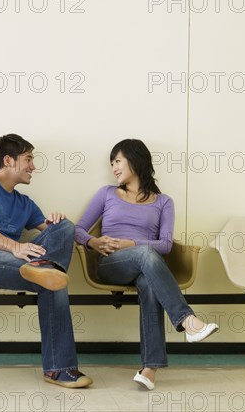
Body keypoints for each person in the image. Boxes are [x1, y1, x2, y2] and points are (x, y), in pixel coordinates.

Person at [74, 139, 218, 390]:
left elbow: (165, 245)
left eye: (117, 161)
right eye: (112, 164)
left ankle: (149, 369)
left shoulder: (164, 202)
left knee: (149, 281)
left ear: (134, 159)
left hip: (144, 264)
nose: (114, 168)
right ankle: (188, 321)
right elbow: (77, 230)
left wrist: (131, 243)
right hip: (111, 265)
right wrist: (93, 243)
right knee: (145, 255)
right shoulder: (106, 193)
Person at [0, 134, 93, 388]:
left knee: (65, 228)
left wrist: (63, 226)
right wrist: (16, 247)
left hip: (17, 262)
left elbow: (51, 232)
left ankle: (45, 271)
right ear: (8, 160)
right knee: (51, 279)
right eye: (28, 159)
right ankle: (59, 369)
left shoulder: (24, 203)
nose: (33, 166)